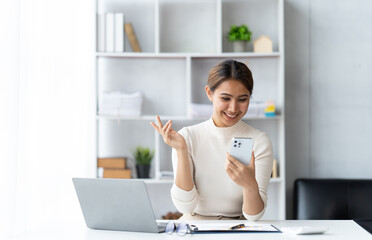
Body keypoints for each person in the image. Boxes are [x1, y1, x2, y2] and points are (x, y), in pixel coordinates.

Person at [150, 59, 273, 221]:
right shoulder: (187, 137)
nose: (233, 108)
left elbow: (254, 216)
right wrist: (181, 151)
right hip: (195, 227)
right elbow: (185, 207)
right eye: (226, 98)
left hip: (239, 229)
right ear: (209, 93)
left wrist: (250, 185)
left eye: (242, 99)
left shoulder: (259, 141)